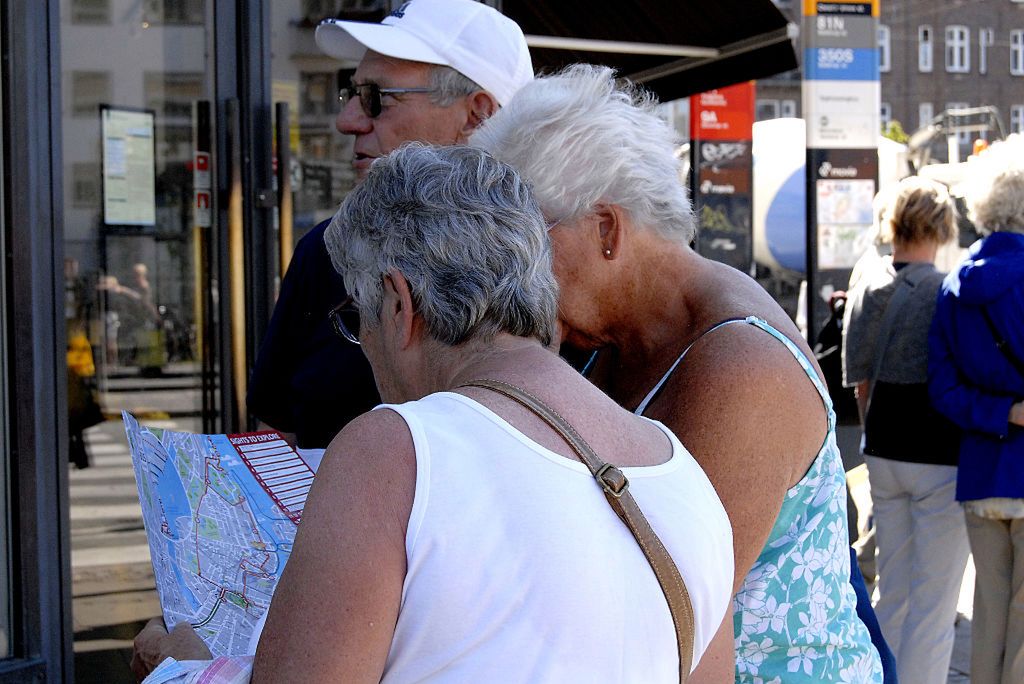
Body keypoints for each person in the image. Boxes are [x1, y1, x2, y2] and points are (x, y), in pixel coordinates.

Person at [134, 144, 735, 683]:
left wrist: (187, 667)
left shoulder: (395, 451)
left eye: (356, 319)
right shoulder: (680, 471)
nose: (364, 344)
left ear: (398, 304)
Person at [473, 64, 883, 682]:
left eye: (523, 241)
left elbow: (658, 607)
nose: (511, 269)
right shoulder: (600, 334)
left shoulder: (743, 369)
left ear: (606, 228)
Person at [246, 0, 533, 468]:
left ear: (478, 114)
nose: (349, 121)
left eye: (377, 97)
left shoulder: (565, 263)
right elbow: (274, 435)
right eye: (352, 93)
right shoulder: (327, 251)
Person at [842, 175, 966, 684]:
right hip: (938, 455)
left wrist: (874, 440)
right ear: (942, 226)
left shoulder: (867, 283)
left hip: (885, 448)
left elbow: (859, 380)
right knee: (934, 606)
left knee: (891, 591)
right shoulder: (945, 291)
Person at [929, 134, 1024, 684]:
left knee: (988, 616)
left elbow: (942, 390)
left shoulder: (953, 286)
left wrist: (999, 413)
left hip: (981, 472)